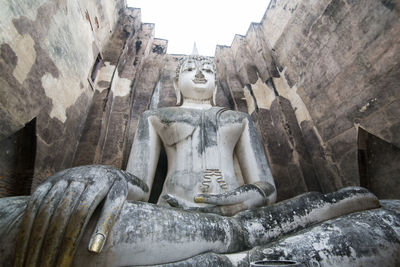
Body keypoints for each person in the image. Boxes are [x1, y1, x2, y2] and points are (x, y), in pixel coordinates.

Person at [1, 53, 398, 267]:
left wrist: (235, 197)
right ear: (176, 80)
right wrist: (107, 176)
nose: (200, 72)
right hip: (173, 216)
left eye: (207, 67)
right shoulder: (157, 117)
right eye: (191, 67)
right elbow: (138, 184)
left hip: (242, 216)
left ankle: (250, 241)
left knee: (349, 207)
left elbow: (266, 187)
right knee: (38, 216)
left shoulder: (237, 119)